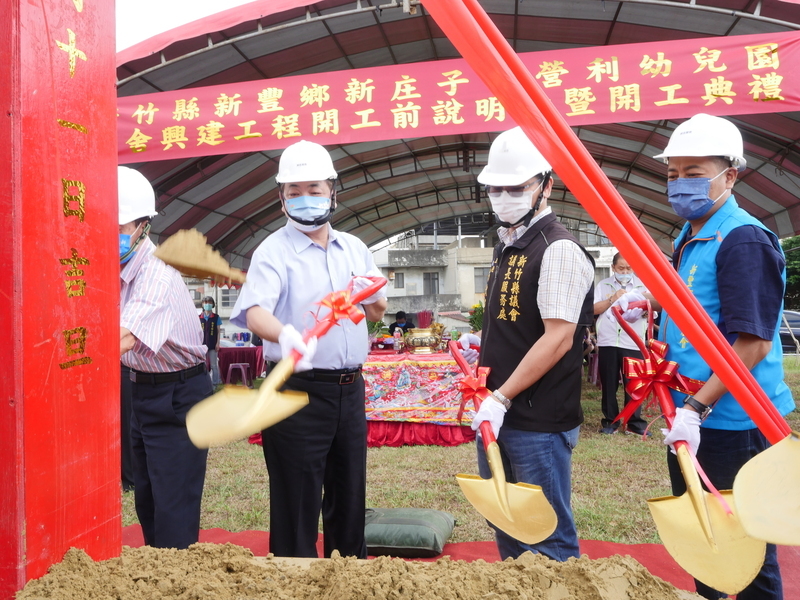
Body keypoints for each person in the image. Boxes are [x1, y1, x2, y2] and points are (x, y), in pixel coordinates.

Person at [654, 113, 795, 599]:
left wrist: (695, 409)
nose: (680, 185)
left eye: (695, 173)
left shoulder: (743, 238)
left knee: (747, 550)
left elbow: (752, 342)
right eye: (673, 174)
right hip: (692, 417)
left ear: (729, 175)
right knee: (705, 539)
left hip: (734, 421)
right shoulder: (691, 234)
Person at [230, 140, 387, 559]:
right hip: (296, 391)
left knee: (349, 493)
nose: (305, 199)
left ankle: (349, 577)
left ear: (333, 191)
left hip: (349, 389)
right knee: (296, 502)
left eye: (314, 189)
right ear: (281, 198)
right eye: (294, 191)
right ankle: (294, 580)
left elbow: (376, 307)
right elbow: (254, 311)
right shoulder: (273, 252)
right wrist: (284, 334)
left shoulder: (354, 248)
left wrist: (372, 300)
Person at [463, 127, 595, 562]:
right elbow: (520, 322)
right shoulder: (509, 245)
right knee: (507, 523)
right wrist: (482, 342)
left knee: (546, 532)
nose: (504, 197)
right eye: (495, 188)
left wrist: (500, 398)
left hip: (535, 420)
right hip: (502, 414)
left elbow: (558, 337)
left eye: (516, 187)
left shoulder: (557, 250)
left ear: (546, 186)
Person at [118, 166, 212, 550]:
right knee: (147, 500)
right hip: (141, 391)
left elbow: (120, 338)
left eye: (118, 226)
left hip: (179, 396)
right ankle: (160, 575)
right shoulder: (113, 269)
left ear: (142, 226)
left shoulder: (156, 273)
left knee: (174, 507)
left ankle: (178, 579)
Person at [593, 253, 653, 436]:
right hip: (608, 340)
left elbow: (652, 311)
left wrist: (642, 310)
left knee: (634, 384)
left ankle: (634, 422)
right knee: (609, 383)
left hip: (633, 341)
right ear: (613, 268)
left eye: (629, 268)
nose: (625, 272)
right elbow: (593, 309)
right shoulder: (603, 285)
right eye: (621, 268)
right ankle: (611, 421)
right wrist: (613, 298)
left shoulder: (643, 286)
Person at [199, 296, 223, 385]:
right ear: (202, 304)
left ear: (212, 304)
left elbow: (218, 331)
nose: (207, 304)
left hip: (213, 345)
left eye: (209, 303)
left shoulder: (216, 317)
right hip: (202, 345)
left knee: (214, 365)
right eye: (205, 303)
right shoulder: (199, 317)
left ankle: (215, 383)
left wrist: (218, 343)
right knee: (203, 366)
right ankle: (204, 383)